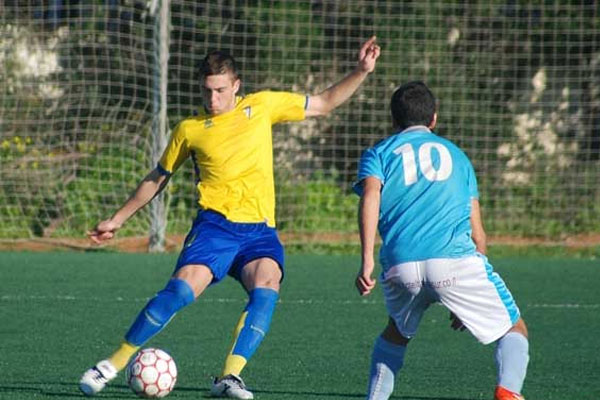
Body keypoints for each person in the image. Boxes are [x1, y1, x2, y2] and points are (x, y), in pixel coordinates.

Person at [78, 37, 380, 399]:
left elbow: (324, 103)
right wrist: (117, 219)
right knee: (180, 290)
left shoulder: (263, 106)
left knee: (267, 287)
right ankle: (111, 364)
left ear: (236, 85)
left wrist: (361, 71)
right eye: (206, 92)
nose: (213, 99)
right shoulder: (189, 129)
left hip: (259, 232)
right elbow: (158, 177)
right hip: (215, 228)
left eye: (220, 90)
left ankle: (230, 377)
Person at [353, 81, 529, 400]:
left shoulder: (378, 153)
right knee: (513, 329)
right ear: (434, 118)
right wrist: (461, 293)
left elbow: (370, 196)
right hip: (454, 263)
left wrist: (366, 260)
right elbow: (478, 234)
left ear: (393, 121)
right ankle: (508, 392)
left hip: (401, 267)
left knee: (395, 334)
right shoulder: (458, 158)